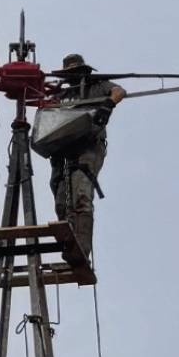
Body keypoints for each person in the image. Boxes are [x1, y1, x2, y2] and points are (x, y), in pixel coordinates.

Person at [49, 54, 126, 267]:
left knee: (81, 194)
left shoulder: (98, 86)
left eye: (76, 72)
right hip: (64, 150)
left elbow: (119, 92)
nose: (73, 77)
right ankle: (69, 251)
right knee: (61, 201)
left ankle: (82, 251)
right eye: (69, 74)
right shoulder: (63, 95)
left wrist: (107, 105)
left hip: (88, 146)